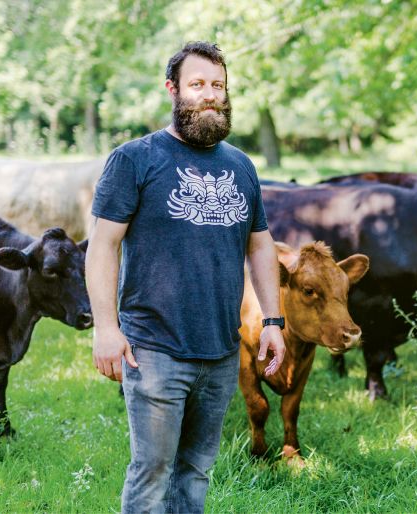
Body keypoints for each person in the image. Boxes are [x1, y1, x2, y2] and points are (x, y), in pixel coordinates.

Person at [86, 41, 286, 514]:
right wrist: (106, 328)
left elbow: (260, 245)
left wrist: (273, 322)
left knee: (196, 472)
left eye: (218, 85)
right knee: (152, 472)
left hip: (221, 351)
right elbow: (102, 246)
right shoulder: (135, 159)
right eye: (197, 84)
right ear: (172, 89)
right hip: (154, 350)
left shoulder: (241, 165)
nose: (210, 94)